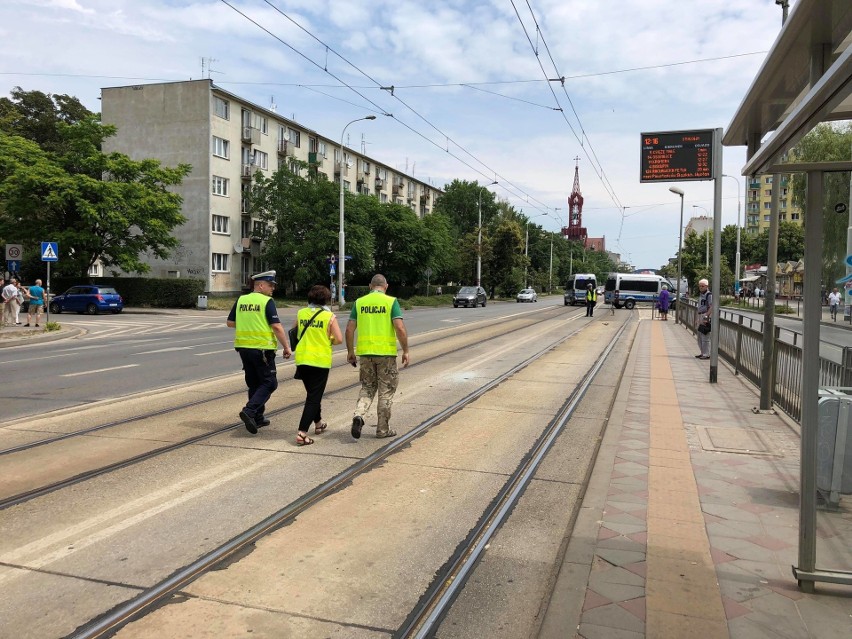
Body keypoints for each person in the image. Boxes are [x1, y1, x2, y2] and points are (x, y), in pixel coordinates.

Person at [226, 270, 292, 434]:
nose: (273, 289)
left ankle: (258, 418)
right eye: (270, 285)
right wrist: (286, 347)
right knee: (270, 383)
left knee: (255, 383)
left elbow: (230, 323)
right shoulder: (266, 301)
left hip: (243, 348)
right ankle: (249, 411)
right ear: (260, 285)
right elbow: (276, 326)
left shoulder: (241, 300)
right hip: (262, 349)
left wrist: (248, 323)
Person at [345, 273, 410, 439]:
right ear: (386, 286)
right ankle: (382, 429)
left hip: (366, 354)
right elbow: (400, 328)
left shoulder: (359, 303)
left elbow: (349, 329)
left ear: (370, 286)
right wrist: (406, 350)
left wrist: (350, 352)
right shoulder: (391, 302)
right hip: (386, 355)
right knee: (385, 391)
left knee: (367, 387)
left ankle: (359, 415)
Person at [291, 285, 343, 446]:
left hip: (302, 359)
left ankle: (318, 423)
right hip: (319, 361)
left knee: (313, 394)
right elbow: (339, 339)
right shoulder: (329, 317)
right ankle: (302, 432)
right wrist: (330, 339)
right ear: (326, 299)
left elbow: (294, 331)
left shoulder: (301, 313)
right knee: (314, 397)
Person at [696, 278, 712, 360]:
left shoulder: (709, 295)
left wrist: (706, 316)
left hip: (705, 316)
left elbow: (712, 306)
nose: (701, 287)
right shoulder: (701, 294)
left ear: (706, 286)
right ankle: (702, 352)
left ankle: (706, 354)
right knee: (699, 335)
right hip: (700, 315)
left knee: (705, 336)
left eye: (702, 286)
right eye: (700, 286)